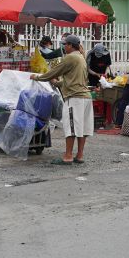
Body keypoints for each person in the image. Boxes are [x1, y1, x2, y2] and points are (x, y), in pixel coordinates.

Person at [31, 34, 93, 166]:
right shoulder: (81, 57)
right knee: (82, 128)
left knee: (71, 127)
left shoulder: (70, 57)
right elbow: (72, 79)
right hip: (86, 97)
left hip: (75, 97)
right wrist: (57, 83)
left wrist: (37, 77)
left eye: (65, 44)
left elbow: (54, 72)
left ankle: (68, 156)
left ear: (70, 45)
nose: (64, 47)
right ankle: (79, 155)